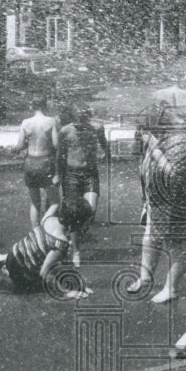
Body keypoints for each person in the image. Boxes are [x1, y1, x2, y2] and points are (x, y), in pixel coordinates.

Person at [126, 107, 186, 303]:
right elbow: (141, 164)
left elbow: (173, 173)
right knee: (150, 238)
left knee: (176, 244)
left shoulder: (181, 141)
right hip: (157, 202)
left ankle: (171, 289)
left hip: (178, 203)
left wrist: (153, 146)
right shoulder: (158, 140)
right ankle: (145, 277)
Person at [0, 197, 94, 299]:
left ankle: (9, 268)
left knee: (55, 263)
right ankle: (13, 274)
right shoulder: (60, 243)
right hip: (19, 274)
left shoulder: (48, 219)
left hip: (13, 255)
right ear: (76, 225)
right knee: (48, 272)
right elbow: (45, 273)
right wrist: (68, 292)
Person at [56, 103, 110, 266]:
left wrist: (106, 155)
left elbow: (104, 144)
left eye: (82, 120)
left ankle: (74, 239)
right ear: (73, 118)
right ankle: (76, 252)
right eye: (76, 121)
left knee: (90, 212)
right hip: (71, 174)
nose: (79, 125)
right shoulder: (65, 131)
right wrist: (58, 175)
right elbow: (60, 154)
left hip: (90, 174)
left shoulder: (97, 128)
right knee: (73, 214)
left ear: (87, 117)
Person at [17, 95, 60, 229]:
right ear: (45, 105)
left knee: (35, 203)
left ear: (32, 107)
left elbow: (19, 146)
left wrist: (28, 144)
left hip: (30, 162)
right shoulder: (52, 121)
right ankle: (45, 224)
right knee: (55, 202)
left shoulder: (25, 122)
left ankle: (35, 234)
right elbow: (56, 144)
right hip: (45, 162)